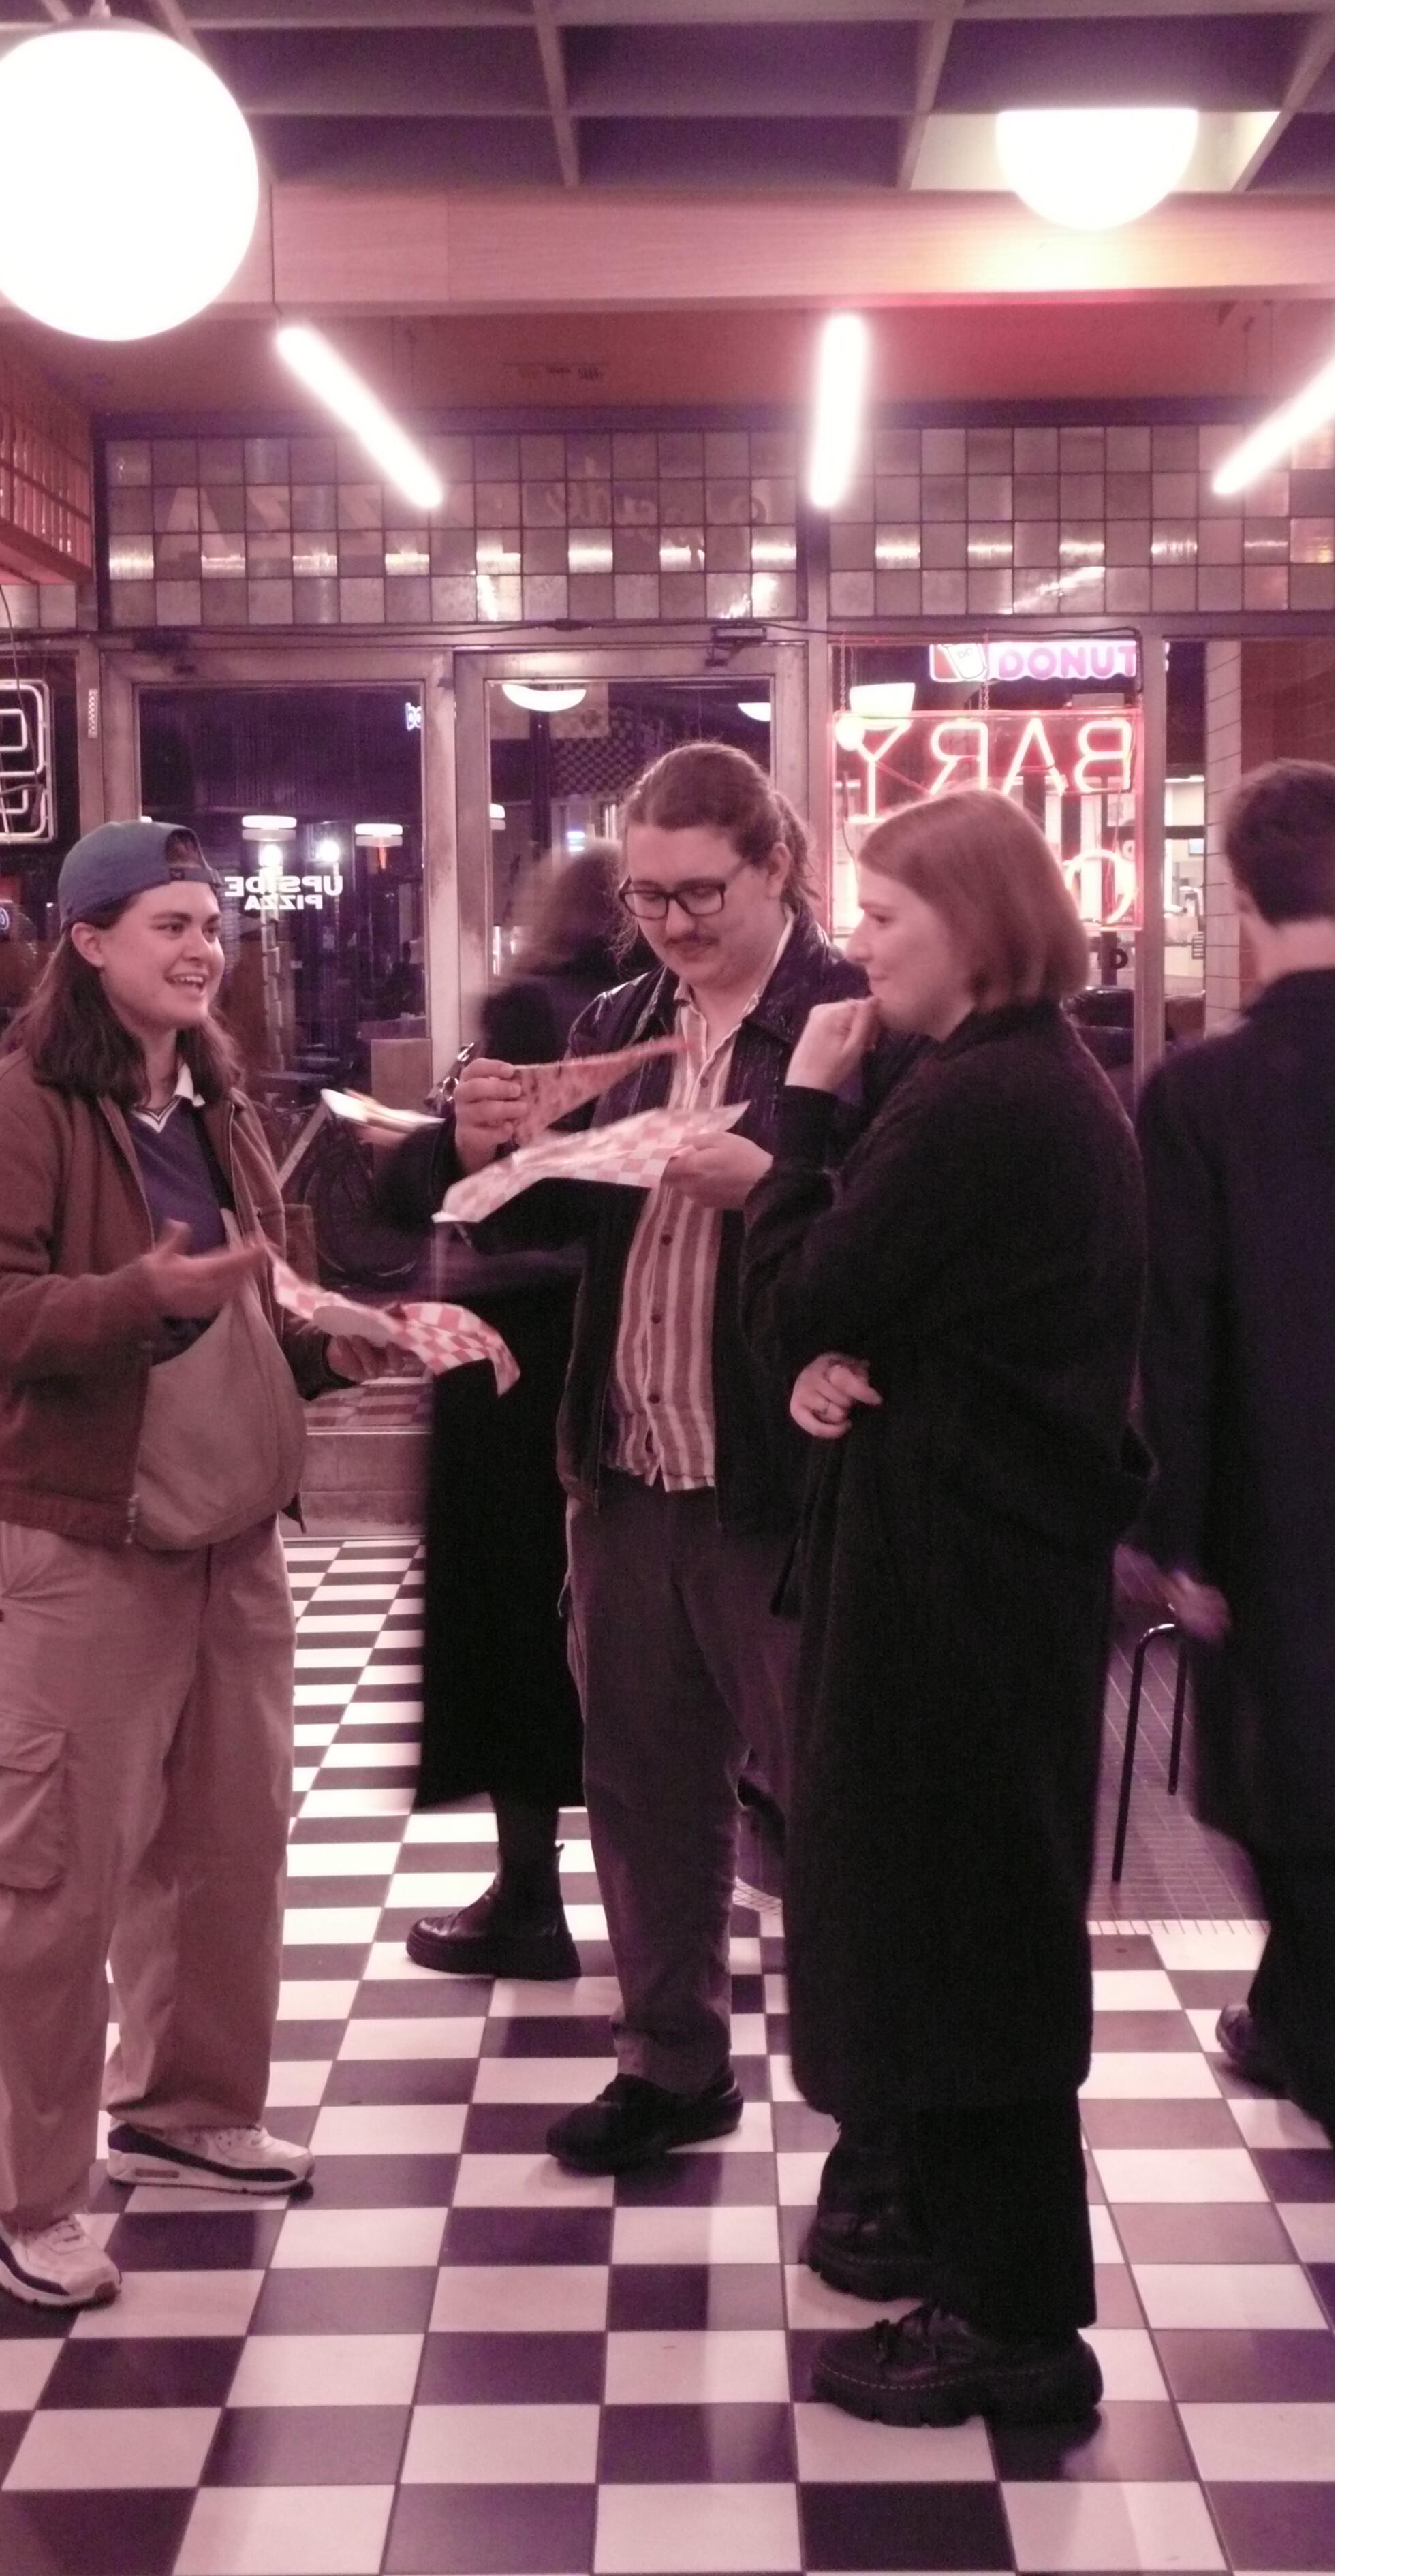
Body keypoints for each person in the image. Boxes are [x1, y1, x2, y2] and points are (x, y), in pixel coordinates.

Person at [0, 819, 405, 2310]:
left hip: (227, 1537)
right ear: (86, 943)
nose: (204, 950)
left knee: (221, 1847)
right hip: (73, 1540)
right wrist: (141, 1296)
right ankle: (17, 2198)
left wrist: (328, 1347)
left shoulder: (212, 1100)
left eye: (211, 924)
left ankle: (185, 2114)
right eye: (169, 926)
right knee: (47, 1876)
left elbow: (241, 1316)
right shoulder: (18, 1113)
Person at [406, 742, 900, 2174]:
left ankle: (876, 2118)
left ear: (777, 867)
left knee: (833, 1809)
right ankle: (671, 2063)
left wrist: (781, 1182)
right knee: (641, 1793)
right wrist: (483, 1147)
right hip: (627, 1467)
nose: (671, 923)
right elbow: (531, 1223)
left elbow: (905, 1237)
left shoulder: (856, 1022)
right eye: (647, 896)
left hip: (781, 1485)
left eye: (700, 894)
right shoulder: (618, 1021)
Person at [739, 787, 1148, 2428]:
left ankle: (1010, 2321)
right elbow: (891, 1314)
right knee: (968, 1928)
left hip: (955, 1586)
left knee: (956, 1934)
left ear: (971, 928)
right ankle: (977, 2266)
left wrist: (801, 1118)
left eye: (885, 917)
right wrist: (844, 1359)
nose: (859, 947)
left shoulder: (980, 1100)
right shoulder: (1028, 1083)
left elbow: (805, 1289)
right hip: (991, 1567)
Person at [1135, 759, 1335, 2135]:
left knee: (1294, 1803)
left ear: (1238, 897)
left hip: (1279, 1517)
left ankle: (1312, 2045)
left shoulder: (1202, 1094)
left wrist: (1175, 1538)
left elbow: (1179, 1338)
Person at [386, 845, 623, 1979]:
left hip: (509, 1361)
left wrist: (434, 1154)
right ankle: (669, 1906)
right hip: (619, 1347)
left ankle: (529, 1893)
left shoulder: (528, 1009)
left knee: (510, 1624)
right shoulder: (663, 1025)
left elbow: (479, 1188)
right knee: (636, 1631)